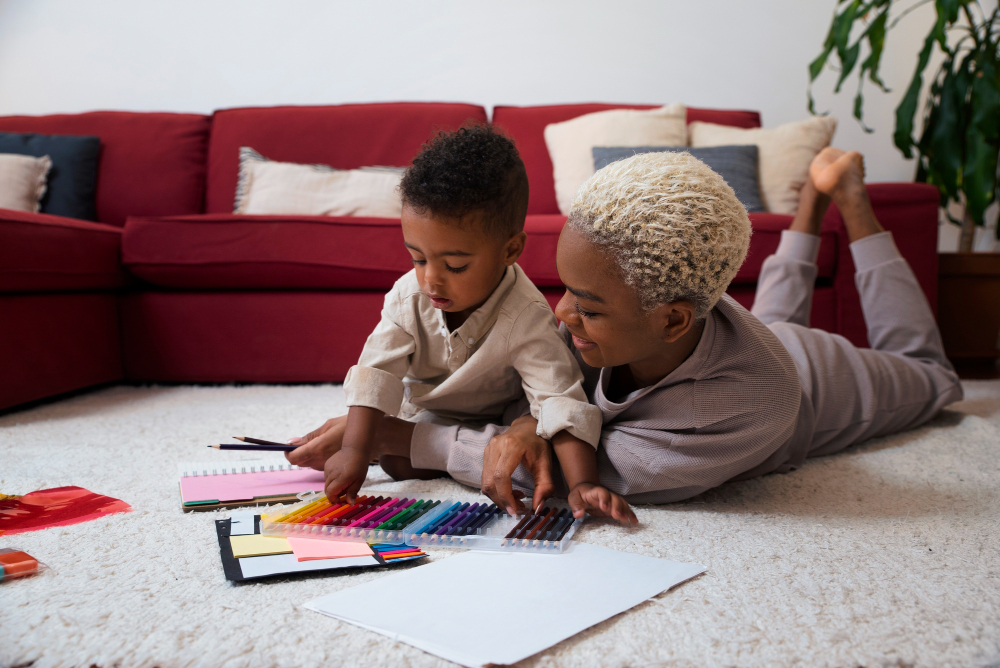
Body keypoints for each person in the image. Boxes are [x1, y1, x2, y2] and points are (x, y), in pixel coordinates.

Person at [291, 147, 963, 513]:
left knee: (933, 375)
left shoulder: (741, 408)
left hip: (819, 379)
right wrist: (528, 420)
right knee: (771, 316)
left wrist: (407, 439)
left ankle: (849, 199)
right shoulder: (627, 321)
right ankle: (812, 203)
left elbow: (589, 469)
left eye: (586, 304)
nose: (560, 315)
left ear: (670, 318)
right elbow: (550, 398)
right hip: (737, 329)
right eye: (566, 293)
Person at [286, 124, 635, 522]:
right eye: (417, 258)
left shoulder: (526, 315)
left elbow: (559, 400)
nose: (431, 278)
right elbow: (375, 370)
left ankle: (452, 449)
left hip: (499, 418)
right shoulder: (408, 296)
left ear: (510, 250)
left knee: (522, 460)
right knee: (398, 462)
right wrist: (353, 450)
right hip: (428, 410)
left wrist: (583, 484)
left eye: (454, 265)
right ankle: (421, 445)